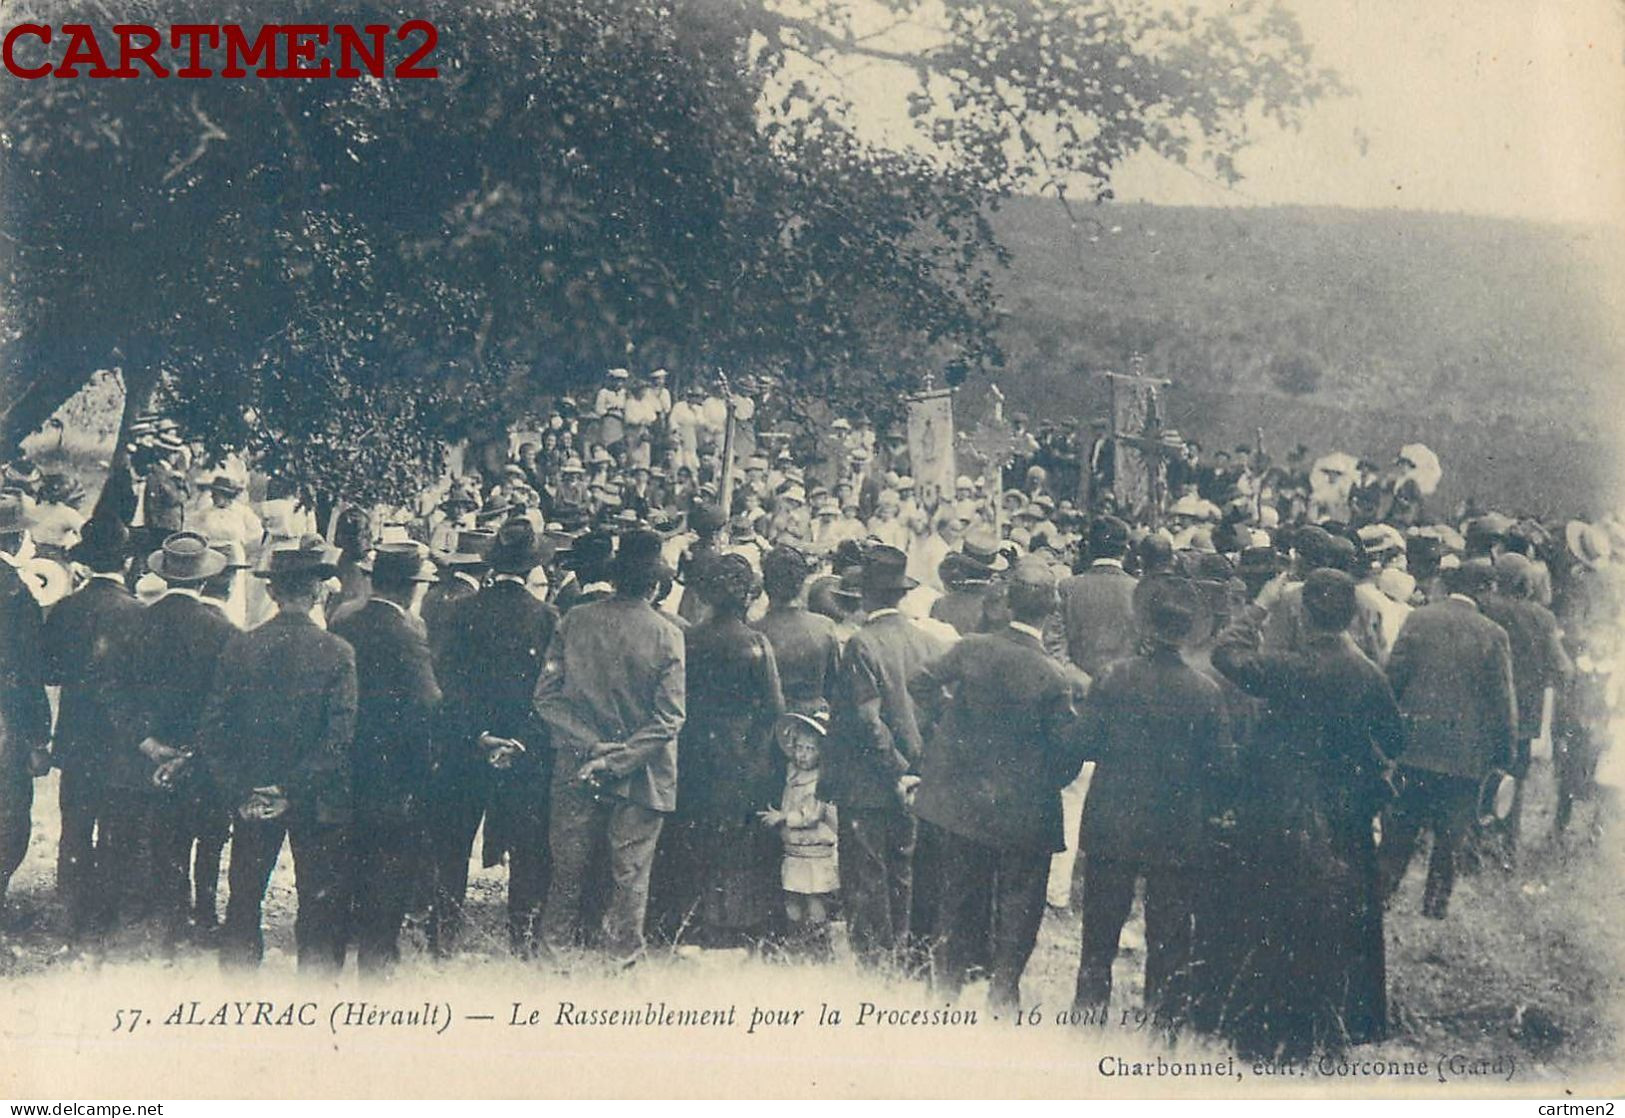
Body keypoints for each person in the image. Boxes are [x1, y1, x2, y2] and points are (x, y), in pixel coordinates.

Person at [1210, 568, 1405, 1058]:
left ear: (1303, 612)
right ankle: (1344, 1025)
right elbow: (1396, 740)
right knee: (1348, 919)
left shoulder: (1286, 668)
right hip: (1347, 814)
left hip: (1285, 810)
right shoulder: (1368, 675)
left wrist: (1258, 605)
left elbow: (1225, 653)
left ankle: (1268, 1031)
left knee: (1276, 916)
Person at [909, 559, 1085, 1011]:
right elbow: (1067, 757)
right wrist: (1037, 777)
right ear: (1051, 613)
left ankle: (945, 989)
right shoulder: (1052, 676)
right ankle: (1004, 990)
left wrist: (948, 732)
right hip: (1023, 812)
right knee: (1019, 902)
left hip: (963, 801)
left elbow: (919, 683)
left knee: (958, 896)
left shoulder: (972, 649)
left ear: (1007, 603)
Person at [1072, 576, 1226, 1026]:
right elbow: (1219, 767)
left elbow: (1084, 743)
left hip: (1113, 822)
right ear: (1185, 634)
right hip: (1176, 828)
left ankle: (1087, 1019)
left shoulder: (1113, 678)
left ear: (1144, 627)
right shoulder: (1205, 692)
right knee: (1170, 937)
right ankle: (1163, 1029)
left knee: (1098, 934)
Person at [199, 536, 357, 972]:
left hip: (252, 796)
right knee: (319, 900)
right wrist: (291, 789)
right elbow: (339, 738)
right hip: (315, 799)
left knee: (245, 895)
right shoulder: (339, 652)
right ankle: (318, 998)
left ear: (271, 592)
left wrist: (244, 789)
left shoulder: (241, 646)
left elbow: (213, 729)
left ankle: (237, 990)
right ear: (319, 592)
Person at [534, 529, 685, 963]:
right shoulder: (667, 634)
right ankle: (622, 957)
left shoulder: (575, 620)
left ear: (614, 577)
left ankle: (555, 951)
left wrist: (594, 747)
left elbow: (546, 697)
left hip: (577, 763)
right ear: (656, 585)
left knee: (568, 865)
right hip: (643, 770)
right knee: (631, 872)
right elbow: (670, 717)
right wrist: (621, 757)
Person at [431, 520, 559, 957]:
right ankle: (522, 939)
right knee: (527, 846)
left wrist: (479, 735)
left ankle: (443, 933)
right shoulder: (546, 618)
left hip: (467, 747)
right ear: (531, 569)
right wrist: (518, 740)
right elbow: (548, 690)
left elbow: (447, 682)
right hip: (524, 752)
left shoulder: (460, 611)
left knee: (453, 841)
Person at [822, 545, 945, 968]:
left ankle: (874, 962)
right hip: (916, 780)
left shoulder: (861, 644)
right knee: (904, 869)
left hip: (869, 781)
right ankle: (908, 954)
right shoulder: (929, 642)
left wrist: (895, 770)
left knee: (865, 874)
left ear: (866, 596)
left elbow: (866, 720)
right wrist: (917, 768)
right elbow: (938, 713)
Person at [653, 553, 785, 947]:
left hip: (692, 748)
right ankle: (730, 925)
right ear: (747, 595)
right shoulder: (756, 644)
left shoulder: (687, 638)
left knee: (689, 834)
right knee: (735, 842)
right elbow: (774, 707)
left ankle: (685, 922)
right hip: (742, 753)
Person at [117, 531, 241, 948]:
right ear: (205, 581)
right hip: (202, 757)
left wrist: (148, 744)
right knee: (209, 837)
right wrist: (192, 754)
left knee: (165, 837)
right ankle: (205, 915)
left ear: (165, 576)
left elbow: (117, 692)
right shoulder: (224, 631)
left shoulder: (136, 622)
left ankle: (170, 917)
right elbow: (227, 704)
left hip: (151, 754)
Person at [1379, 560, 1517, 917]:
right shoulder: (1493, 634)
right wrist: (1505, 754)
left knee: (1399, 831)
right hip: (1464, 756)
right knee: (1450, 838)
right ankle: (1435, 907)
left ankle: (1381, 896)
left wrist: (1387, 735)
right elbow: (1503, 702)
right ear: (1485, 589)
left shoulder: (1419, 618)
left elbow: (1393, 678)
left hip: (1414, 746)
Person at [330, 543, 442, 976]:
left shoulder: (344, 619)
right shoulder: (407, 632)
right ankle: (378, 959)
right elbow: (427, 700)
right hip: (392, 767)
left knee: (345, 861)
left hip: (345, 758)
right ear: (411, 588)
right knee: (388, 867)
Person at [38, 515, 142, 942]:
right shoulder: (138, 613)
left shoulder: (66, 608)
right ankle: (108, 913)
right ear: (128, 560)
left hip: (77, 735)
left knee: (75, 823)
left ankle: (72, 908)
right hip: (122, 738)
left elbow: (49, 670)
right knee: (116, 823)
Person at [1047, 515, 1137, 910]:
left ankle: (1058, 892)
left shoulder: (1068, 588)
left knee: (1070, 796)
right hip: (1127, 708)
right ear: (1124, 550)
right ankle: (1116, 895)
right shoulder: (1139, 592)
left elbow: (1054, 650)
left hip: (1077, 706)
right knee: (1123, 799)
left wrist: (1085, 682)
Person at [1476, 552, 1571, 862]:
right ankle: (1506, 847)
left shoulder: (1485, 607)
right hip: (1524, 714)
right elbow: (1562, 669)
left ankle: (1475, 843)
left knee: (1480, 774)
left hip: (1484, 709)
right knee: (1514, 780)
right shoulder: (1542, 617)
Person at [0, 494, 53, 923]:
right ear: (16, 536)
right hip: (7, 723)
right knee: (10, 815)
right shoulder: (17, 596)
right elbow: (31, 674)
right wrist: (39, 738)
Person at [758, 710, 838, 958]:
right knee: (792, 898)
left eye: (810, 749)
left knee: (814, 899)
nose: (803, 755)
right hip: (794, 850)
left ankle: (818, 949)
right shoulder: (792, 775)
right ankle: (797, 943)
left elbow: (812, 814)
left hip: (814, 849)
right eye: (799, 748)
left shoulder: (820, 781)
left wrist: (784, 817)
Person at [751, 546, 840, 715]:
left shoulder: (755, 632)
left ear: (766, 586)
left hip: (770, 724)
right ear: (801, 586)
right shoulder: (824, 626)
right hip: (815, 723)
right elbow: (834, 684)